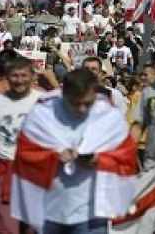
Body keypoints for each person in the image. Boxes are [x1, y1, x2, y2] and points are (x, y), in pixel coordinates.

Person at [10, 68, 138, 234]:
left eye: (88, 103)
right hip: (50, 208)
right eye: (76, 103)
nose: (82, 109)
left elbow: (125, 155)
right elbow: (25, 154)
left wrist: (99, 160)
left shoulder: (109, 117)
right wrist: (52, 156)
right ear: (64, 94)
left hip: (92, 209)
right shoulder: (42, 114)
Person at [0, 57, 43, 234]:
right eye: (15, 76)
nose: (19, 80)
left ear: (32, 77)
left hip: (36, 172)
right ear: (6, 77)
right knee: (7, 228)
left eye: (24, 75)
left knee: (34, 229)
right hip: (5, 170)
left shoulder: (44, 101)